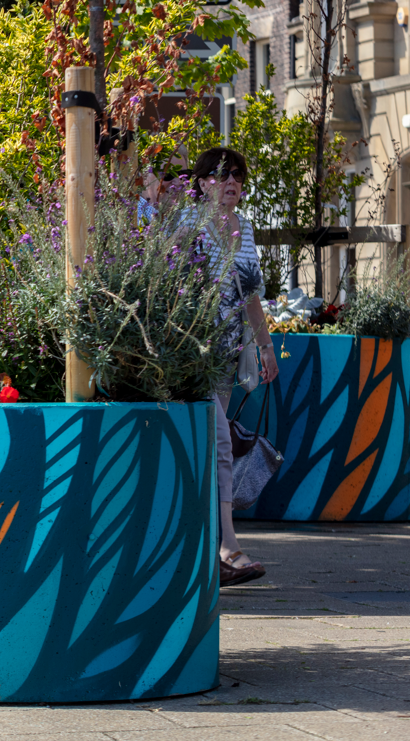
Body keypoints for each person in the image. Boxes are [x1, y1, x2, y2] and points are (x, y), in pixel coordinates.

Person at [192, 146, 278, 588]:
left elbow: (249, 297)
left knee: (213, 445)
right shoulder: (186, 224)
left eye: (238, 176)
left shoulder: (243, 230)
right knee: (222, 443)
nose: (232, 182)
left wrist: (265, 348)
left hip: (225, 355)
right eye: (223, 175)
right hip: (189, 354)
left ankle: (209, 546)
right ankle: (228, 547)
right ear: (204, 181)